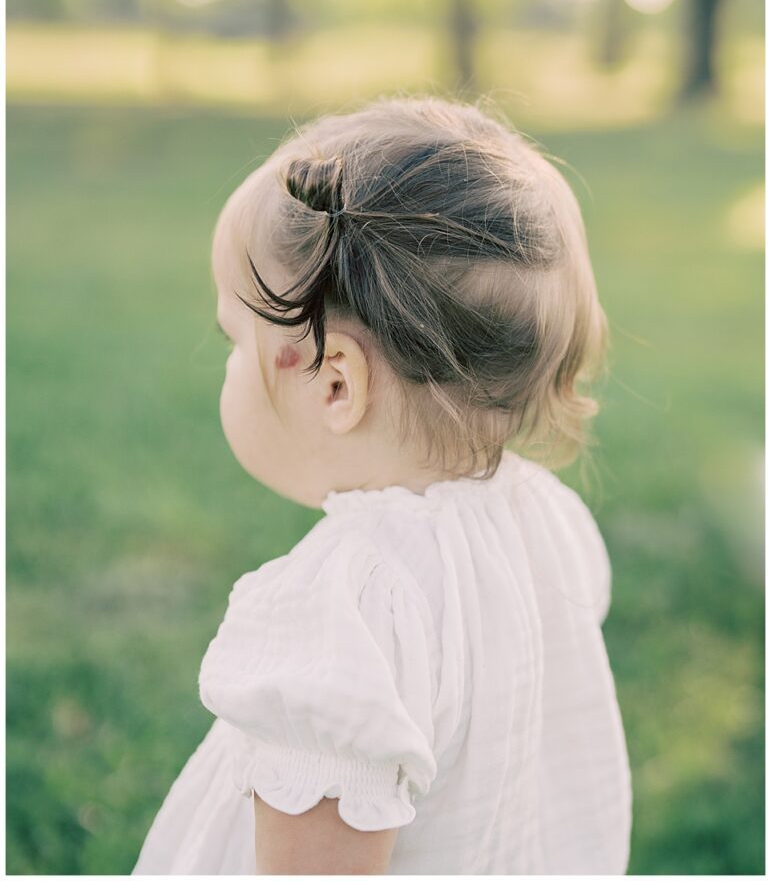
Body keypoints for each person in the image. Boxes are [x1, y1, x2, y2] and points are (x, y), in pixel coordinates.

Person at [132, 95, 632, 875]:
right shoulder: (545, 517)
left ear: (336, 384)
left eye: (236, 341)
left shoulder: (345, 609)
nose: (229, 366)